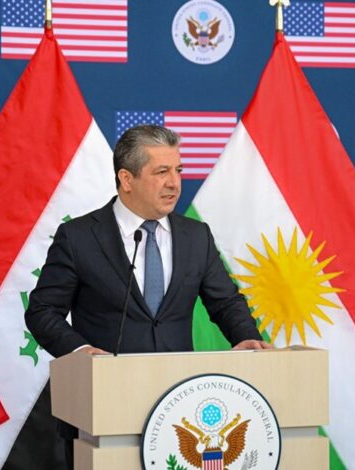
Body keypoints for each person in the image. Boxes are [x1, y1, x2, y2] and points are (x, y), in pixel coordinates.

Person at [24, 124, 270, 468]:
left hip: (180, 407)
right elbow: (42, 311)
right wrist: (80, 352)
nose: (174, 183)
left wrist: (246, 338)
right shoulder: (78, 237)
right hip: (102, 406)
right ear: (127, 179)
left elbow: (225, 301)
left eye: (178, 170)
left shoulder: (196, 236)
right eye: (162, 172)